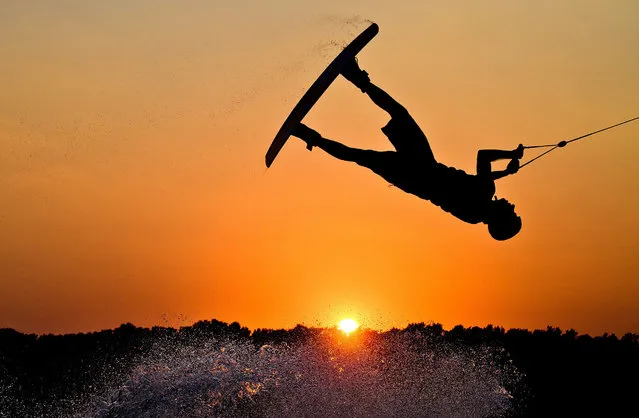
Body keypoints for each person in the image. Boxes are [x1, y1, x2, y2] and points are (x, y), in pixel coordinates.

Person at [291, 58, 524, 240]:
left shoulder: (483, 192)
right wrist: (505, 172)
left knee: (395, 117)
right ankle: (311, 136)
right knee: (359, 156)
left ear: (500, 220)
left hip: (422, 163)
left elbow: (482, 158)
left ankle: (355, 78)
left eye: (511, 212)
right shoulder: (475, 212)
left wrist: (511, 155)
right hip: (414, 180)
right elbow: (466, 184)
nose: (512, 205)